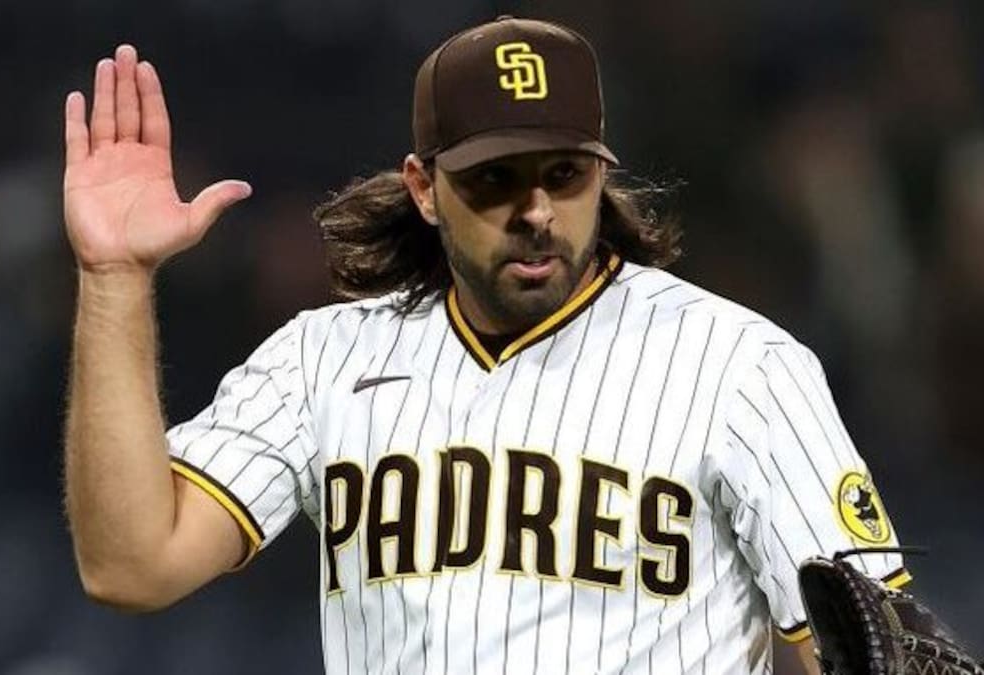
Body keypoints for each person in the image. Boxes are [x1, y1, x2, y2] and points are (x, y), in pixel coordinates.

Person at [62, 16, 907, 674]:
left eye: (564, 174)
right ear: (425, 187)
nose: (535, 210)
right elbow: (131, 564)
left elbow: (870, 648)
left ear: (601, 173)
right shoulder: (323, 361)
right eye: (495, 178)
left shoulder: (739, 364)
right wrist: (113, 277)